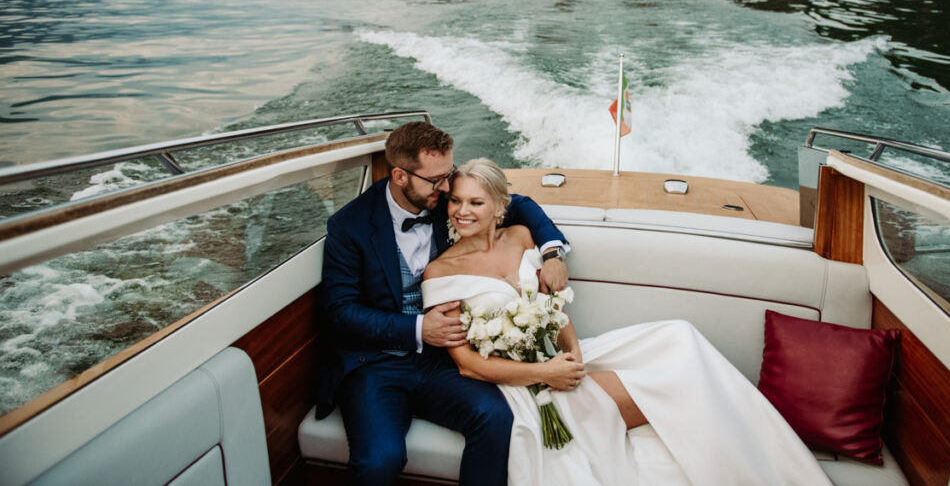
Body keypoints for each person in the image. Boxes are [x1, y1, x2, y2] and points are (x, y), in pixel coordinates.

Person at [422, 158, 833, 486]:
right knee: (679, 389)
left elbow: (553, 310)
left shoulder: (523, 238)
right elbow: (467, 365)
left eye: (475, 202)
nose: (462, 211)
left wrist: (574, 357)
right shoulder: (441, 272)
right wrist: (542, 372)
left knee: (678, 338)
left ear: (499, 206)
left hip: (560, 360)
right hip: (514, 382)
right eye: (456, 201)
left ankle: (762, 463)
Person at [315, 122, 570, 485]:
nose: (448, 187)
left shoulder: (448, 204)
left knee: (495, 417)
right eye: (436, 180)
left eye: (448, 174)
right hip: (375, 365)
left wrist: (553, 252)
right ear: (400, 176)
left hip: (442, 364)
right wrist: (419, 328)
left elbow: (520, 205)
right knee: (378, 460)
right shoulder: (349, 226)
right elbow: (339, 312)